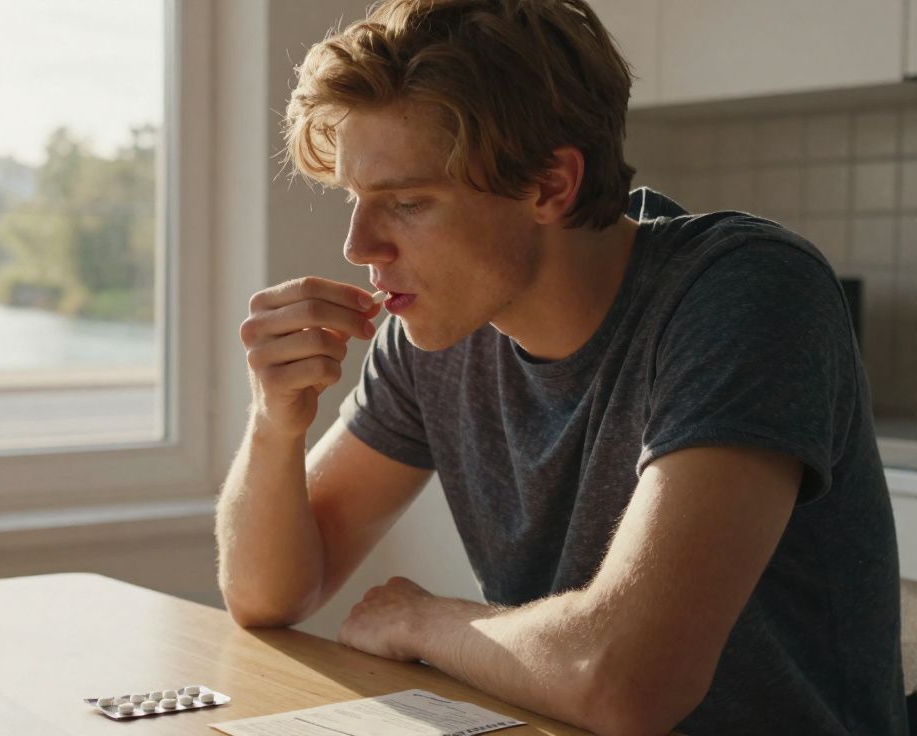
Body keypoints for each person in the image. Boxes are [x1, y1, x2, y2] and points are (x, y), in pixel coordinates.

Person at [214, 1, 906, 734]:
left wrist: (424, 621)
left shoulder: (744, 293)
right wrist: (274, 422)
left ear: (550, 184)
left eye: (408, 202)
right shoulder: (438, 334)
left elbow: (628, 682)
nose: (358, 246)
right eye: (356, 199)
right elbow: (267, 596)